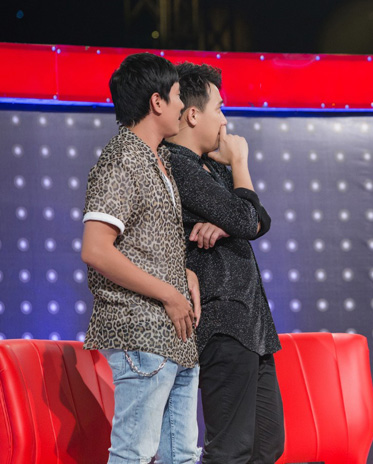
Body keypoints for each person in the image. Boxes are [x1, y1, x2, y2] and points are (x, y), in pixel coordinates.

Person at [81, 52, 202, 464]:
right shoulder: (122, 158)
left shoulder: (158, 159)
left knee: (182, 455)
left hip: (176, 337)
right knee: (133, 454)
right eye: (177, 95)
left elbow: (145, 242)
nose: (183, 105)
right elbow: (96, 249)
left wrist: (182, 273)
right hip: (142, 331)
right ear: (157, 102)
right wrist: (168, 293)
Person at [165, 62, 284, 464]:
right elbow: (247, 219)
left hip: (251, 323)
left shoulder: (211, 165)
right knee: (230, 450)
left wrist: (227, 221)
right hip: (221, 320)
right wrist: (241, 164)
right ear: (193, 114)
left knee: (267, 445)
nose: (225, 120)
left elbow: (259, 219)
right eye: (219, 108)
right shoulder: (177, 164)